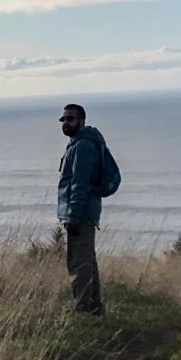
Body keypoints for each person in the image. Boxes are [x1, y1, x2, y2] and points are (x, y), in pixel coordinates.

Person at [56, 102, 115, 316]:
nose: (65, 123)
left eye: (70, 119)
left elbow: (79, 184)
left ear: (81, 121)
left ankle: (83, 310)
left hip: (80, 215)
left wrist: (72, 215)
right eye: (63, 119)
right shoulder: (78, 143)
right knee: (87, 261)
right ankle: (95, 309)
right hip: (84, 213)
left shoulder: (82, 146)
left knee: (79, 263)